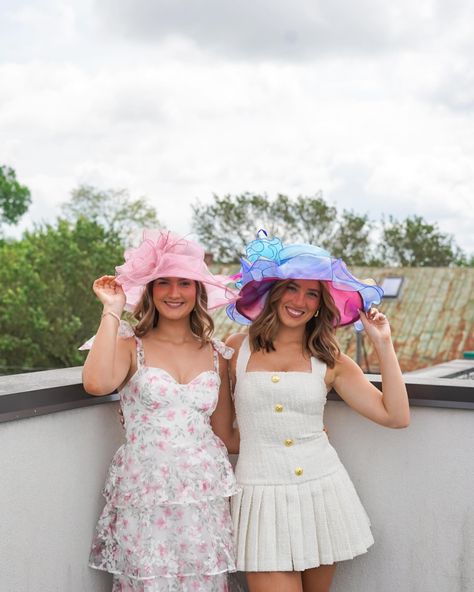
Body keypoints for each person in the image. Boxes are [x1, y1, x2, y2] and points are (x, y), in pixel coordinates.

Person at [225, 232, 410, 592]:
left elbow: (396, 416)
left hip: (321, 494)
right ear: (274, 293)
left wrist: (384, 343)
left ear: (321, 304)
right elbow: (224, 433)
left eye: (312, 293)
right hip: (260, 498)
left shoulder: (331, 358)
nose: (300, 301)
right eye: (292, 288)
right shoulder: (235, 349)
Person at [81, 229, 241, 592]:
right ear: (150, 290)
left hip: (202, 497)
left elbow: (225, 435)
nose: (173, 292)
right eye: (163, 282)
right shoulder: (129, 343)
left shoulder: (217, 354)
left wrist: (291, 439)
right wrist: (112, 309)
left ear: (198, 291)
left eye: (184, 283)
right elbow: (96, 383)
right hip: (146, 493)